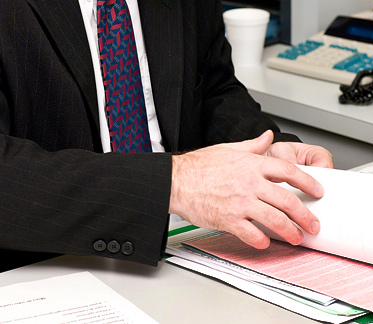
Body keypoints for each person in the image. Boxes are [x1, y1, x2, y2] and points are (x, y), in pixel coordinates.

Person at [0, 0, 333, 272]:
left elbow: (214, 87)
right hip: (50, 263)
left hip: (186, 245)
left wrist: (264, 151)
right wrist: (174, 183)